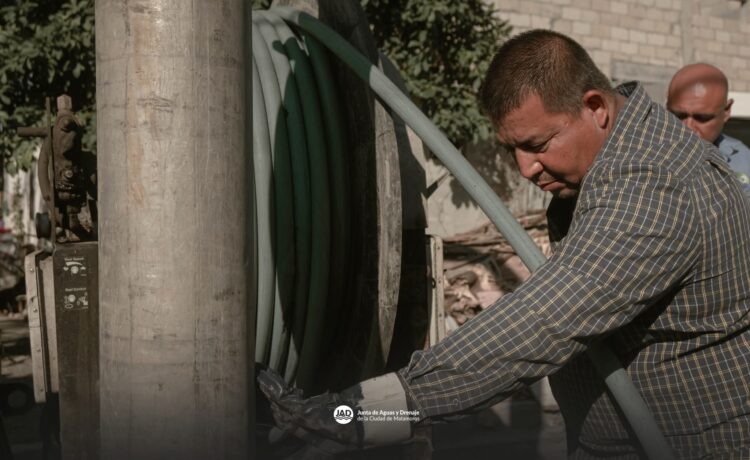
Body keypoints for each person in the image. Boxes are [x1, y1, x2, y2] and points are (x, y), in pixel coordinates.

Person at [259, 30, 750, 459]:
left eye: (537, 145)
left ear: (596, 108)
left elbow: (542, 325)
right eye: (510, 148)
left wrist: (352, 416)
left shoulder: (655, 189)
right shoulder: (620, 151)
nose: (524, 169)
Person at [667, 63, 750, 200]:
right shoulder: (641, 154)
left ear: (726, 111)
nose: (688, 128)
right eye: (679, 116)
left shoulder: (743, 160)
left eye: (702, 118)